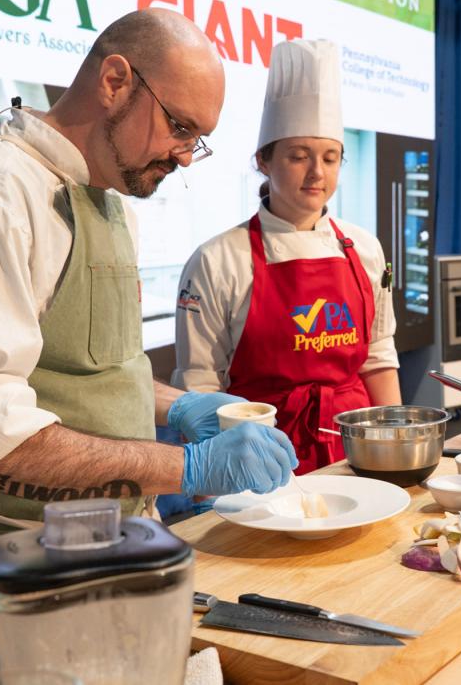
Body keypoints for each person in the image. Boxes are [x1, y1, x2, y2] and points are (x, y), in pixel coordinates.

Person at [0, 9, 298, 621]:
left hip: (105, 554)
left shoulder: (108, 203)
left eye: (196, 140)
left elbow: (89, 372)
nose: (184, 157)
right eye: (179, 126)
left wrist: (175, 406)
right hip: (2, 578)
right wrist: (187, 465)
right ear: (115, 81)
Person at [172, 39, 401, 475]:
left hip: (357, 454)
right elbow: (199, 385)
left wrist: (395, 454)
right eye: (299, 156)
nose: (317, 173)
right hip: (259, 458)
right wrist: (208, 483)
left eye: (331, 158)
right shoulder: (218, 259)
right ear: (263, 160)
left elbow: (377, 357)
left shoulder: (365, 250)